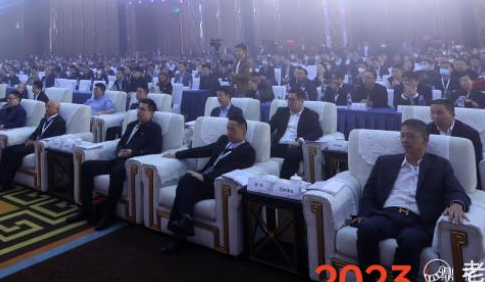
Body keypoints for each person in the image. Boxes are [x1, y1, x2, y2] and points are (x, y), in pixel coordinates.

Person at [353, 119, 470, 282]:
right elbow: (370, 191)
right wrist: (363, 215)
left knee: (410, 241)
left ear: (425, 139)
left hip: (419, 222)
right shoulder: (385, 162)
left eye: (410, 136)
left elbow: (456, 190)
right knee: (366, 228)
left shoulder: (440, 165)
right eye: (402, 136)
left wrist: (457, 204)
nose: (405, 140)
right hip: (388, 215)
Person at [160, 111, 255, 253]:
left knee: (185, 184)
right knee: (186, 183)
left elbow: (230, 169)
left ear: (244, 131)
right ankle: (186, 219)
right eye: (228, 128)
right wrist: (177, 154)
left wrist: (205, 177)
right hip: (201, 180)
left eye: (233, 129)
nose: (228, 132)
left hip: (215, 184)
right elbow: (204, 150)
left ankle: (176, 235)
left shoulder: (247, 151)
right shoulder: (223, 140)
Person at [67, 98, 163, 230]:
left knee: (116, 172)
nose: (138, 111)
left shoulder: (154, 129)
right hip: (118, 160)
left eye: (143, 109)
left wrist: (132, 152)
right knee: (87, 166)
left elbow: (156, 150)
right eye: (138, 108)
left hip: (132, 164)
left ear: (151, 113)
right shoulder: (132, 125)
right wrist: (119, 151)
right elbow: (121, 142)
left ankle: (109, 215)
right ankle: (86, 209)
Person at [0, 99, 66, 192]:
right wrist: (31, 138)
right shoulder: (44, 119)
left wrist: (37, 142)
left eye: (49, 106)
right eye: (46, 106)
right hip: (32, 143)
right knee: (6, 150)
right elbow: (36, 132)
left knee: (16, 153)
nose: (46, 108)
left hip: (41, 147)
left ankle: (6, 183)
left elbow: (54, 138)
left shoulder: (60, 122)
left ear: (56, 109)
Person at [269, 91, 323, 178]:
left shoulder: (310, 115)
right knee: (261, 149)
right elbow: (269, 127)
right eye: (288, 99)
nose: (289, 102)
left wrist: (301, 140)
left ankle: (283, 180)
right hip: (279, 145)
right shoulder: (281, 111)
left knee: (293, 153)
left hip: (296, 147)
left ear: (301, 101)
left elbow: (318, 132)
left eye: (293, 100)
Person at [427, 99, 483, 167]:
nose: (435, 116)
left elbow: (477, 161)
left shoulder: (471, 134)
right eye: (432, 113)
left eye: (440, 113)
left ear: (453, 114)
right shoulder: (426, 130)